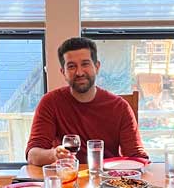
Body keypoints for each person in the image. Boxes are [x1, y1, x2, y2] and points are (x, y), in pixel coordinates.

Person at [25, 37, 148, 166]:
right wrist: (54, 154)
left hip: (109, 181)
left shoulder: (120, 107)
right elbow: (33, 155)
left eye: (85, 64)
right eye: (71, 66)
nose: (79, 72)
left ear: (97, 67)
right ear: (63, 72)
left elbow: (136, 156)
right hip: (67, 180)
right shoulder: (50, 102)